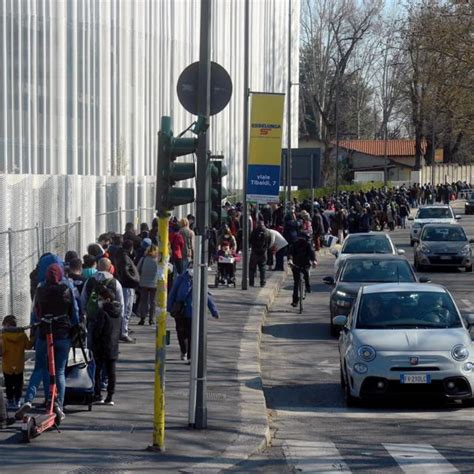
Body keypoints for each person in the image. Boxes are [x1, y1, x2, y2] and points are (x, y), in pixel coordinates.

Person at [17, 263, 79, 421]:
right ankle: (58, 403)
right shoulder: (66, 289)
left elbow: (36, 312)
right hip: (62, 333)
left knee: (39, 368)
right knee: (59, 371)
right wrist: (74, 327)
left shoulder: (40, 289)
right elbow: (74, 311)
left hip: (44, 333)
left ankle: (29, 400)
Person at [167, 267, 219, 362]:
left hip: (192, 312)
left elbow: (207, 296)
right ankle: (184, 351)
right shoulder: (181, 278)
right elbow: (173, 293)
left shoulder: (200, 280)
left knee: (192, 334)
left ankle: (191, 356)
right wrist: (169, 308)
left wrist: (214, 311)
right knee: (181, 333)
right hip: (180, 311)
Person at [91, 286, 122, 406]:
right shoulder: (118, 312)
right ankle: (110, 395)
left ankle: (97, 394)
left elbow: (98, 330)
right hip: (113, 345)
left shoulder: (102, 312)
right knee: (111, 372)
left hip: (101, 345)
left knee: (97, 370)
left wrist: (94, 338)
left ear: (107, 299)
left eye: (101, 298)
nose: (99, 300)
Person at [0, 315, 34, 410]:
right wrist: (33, 338)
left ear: (6, 324)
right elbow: (28, 346)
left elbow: (2, 351)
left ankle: (10, 400)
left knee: (9, 384)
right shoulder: (22, 335)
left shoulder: (3, 336)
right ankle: (18, 400)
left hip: (7, 366)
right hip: (19, 365)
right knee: (18, 384)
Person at [114, 241, 140, 342]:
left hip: (124, 284)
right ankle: (123, 332)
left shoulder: (120, 255)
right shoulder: (125, 258)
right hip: (127, 285)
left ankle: (123, 330)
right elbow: (126, 272)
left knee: (125, 308)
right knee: (127, 308)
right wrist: (134, 280)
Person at [287, 233, 317, 307]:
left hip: (305, 264)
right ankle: (295, 301)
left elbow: (312, 253)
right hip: (296, 265)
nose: (301, 241)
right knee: (296, 283)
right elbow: (290, 253)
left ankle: (308, 287)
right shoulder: (294, 245)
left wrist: (314, 261)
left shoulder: (308, 245)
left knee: (306, 274)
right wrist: (290, 260)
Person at [136, 244, 159, 325]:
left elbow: (137, 269)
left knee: (143, 301)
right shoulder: (158, 260)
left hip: (143, 282)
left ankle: (142, 318)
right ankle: (151, 319)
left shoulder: (143, 259)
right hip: (154, 283)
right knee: (153, 301)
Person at [249, 220, 272, 287]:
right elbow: (270, 241)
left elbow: (250, 240)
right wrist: (265, 248)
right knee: (263, 268)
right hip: (263, 252)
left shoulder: (254, 232)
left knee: (252, 268)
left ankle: (251, 282)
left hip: (255, 252)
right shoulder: (267, 232)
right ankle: (263, 282)